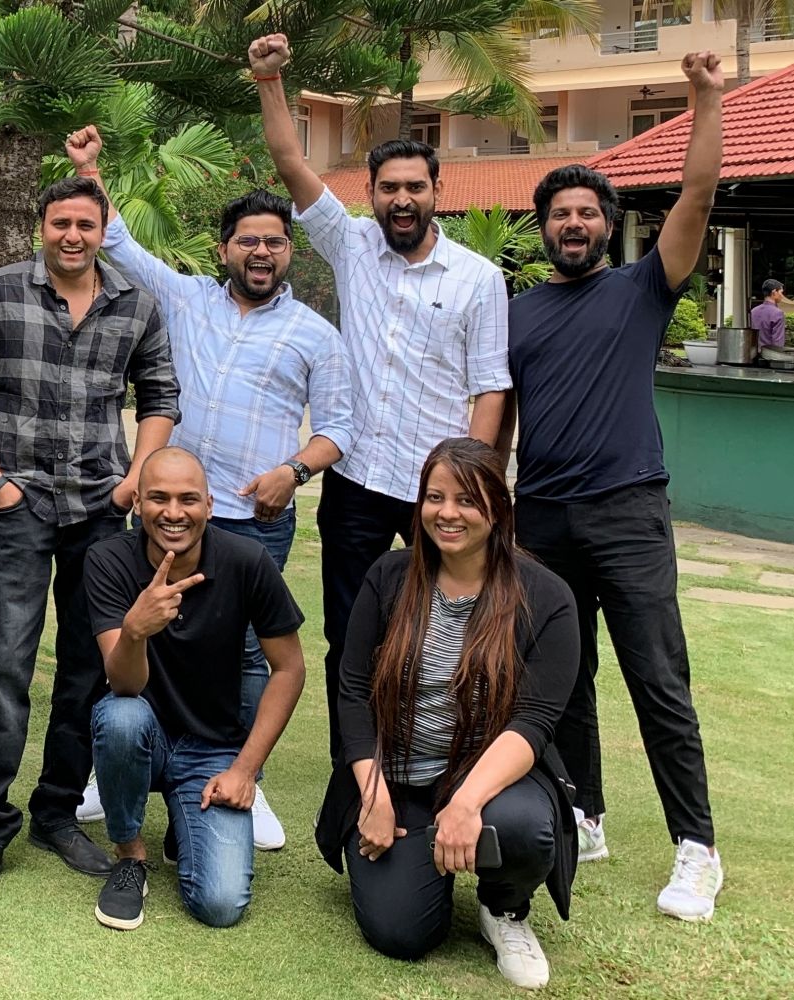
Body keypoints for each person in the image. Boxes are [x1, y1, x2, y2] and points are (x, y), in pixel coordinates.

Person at [64, 124, 354, 849]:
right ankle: (117, 767)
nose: (261, 252)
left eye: (274, 242)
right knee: (138, 630)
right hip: (170, 513)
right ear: (225, 249)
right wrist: (90, 169)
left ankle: (243, 776)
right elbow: (120, 243)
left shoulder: (316, 334)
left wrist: (294, 471)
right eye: (248, 240)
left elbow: (340, 428)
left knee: (251, 655)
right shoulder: (186, 297)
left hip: (254, 521)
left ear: (289, 253)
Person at [503, 53, 727, 922]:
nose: (573, 223)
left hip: (627, 509)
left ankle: (696, 848)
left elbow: (696, 194)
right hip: (540, 517)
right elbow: (498, 418)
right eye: (559, 213)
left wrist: (703, 98)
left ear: (607, 226)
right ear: (543, 227)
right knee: (562, 677)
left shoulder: (642, 288)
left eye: (586, 213)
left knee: (656, 679)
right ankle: (583, 815)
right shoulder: (517, 312)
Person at [251, 34, 512, 761]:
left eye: (414, 188)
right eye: (389, 188)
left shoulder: (477, 279)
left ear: (436, 193)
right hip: (358, 480)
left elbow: (490, 385)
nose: (402, 200)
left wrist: (472, 484)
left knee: (453, 633)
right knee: (350, 636)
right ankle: (354, 776)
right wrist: (270, 80)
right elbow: (290, 161)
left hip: (441, 490)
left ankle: (446, 767)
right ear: (370, 194)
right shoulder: (351, 247)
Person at [0, 176, 181, 906]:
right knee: (5, 670)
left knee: (86, 669)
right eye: (60, 223)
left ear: (102, 230)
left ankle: (55, 813)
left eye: (85, 224)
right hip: (20, 505)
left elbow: (160, 394)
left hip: (100, 509)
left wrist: (134, 478)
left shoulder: (135, 302)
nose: (72, 236)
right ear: (41, 227)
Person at [316, 438, 579, 990]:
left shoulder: (545, 596)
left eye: (466, 500)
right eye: (434, 497)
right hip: (398, 781)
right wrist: (373, 794)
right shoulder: (389, 577)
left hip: (489, 779)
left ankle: (504, 907)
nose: (447, 513)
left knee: (522, 829)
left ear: (497, 509)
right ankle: (425, 859)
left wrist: (466, 802)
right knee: (400, 933)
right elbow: (353, 690)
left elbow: (533, 721)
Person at [85, 448, 306, 931]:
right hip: (143, 734)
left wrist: (245, 770)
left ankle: (184, 827)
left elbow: (289, 669)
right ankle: (130, 856)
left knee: (220, 905)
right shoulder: (108, 560)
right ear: (137, 503)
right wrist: (136, 630)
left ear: (209, 504)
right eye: (158, 498)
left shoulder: (247, 560)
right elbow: (124, 684)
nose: (173, 512)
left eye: (188, 499)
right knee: (120, 716)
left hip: (213, 747)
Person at [751, 278, 786, 349]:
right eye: (781, 292)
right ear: (774, 292)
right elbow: (778, 343)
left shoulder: (753, 311)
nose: (782, 296)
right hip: (770, 354)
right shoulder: (778, 313)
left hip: (753, 353)